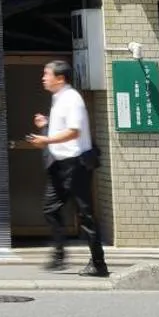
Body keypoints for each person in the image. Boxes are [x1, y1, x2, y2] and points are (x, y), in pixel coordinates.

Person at [27, 58, 109, 278]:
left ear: (60, 78)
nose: (43, 78)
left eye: (47, 74)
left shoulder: (72, 99)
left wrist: (46, 140)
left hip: (75, 164)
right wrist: (46, 125)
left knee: (85, 214)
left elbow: (74, 132)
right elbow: (65, 127)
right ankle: (60, 255)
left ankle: (99, 264)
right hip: (59, 164)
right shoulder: (59, 98)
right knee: (50, 209)